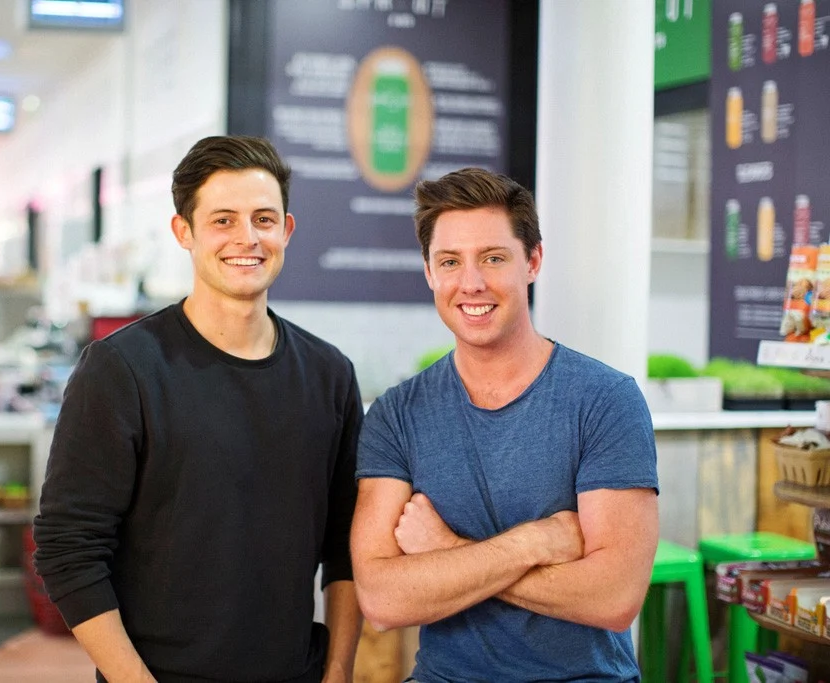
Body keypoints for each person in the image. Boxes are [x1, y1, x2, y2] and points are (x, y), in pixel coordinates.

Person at [34, 135, 363, 683]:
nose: (247, 238)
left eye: (263, 219)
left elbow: (347, 543)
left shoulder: (329, 375)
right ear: (183, 231)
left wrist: (339, 670)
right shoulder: (122, 370)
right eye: (223, 220)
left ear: (286, 230)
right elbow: (67, 548)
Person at [350, 168, 659, 682]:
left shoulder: (605, 400)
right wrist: (534, 543)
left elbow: (613, 598)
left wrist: (448, 552)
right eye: (450, 261)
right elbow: (382, 599)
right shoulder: (397, 415)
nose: (471, 283)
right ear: (429, 272)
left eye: (493, 258)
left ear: (532, 261)